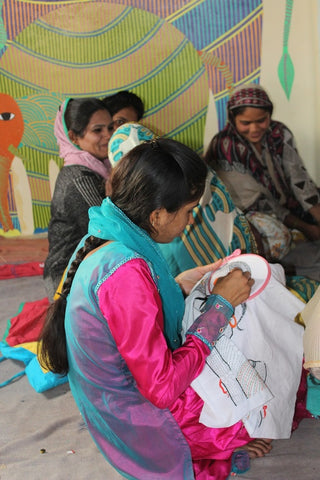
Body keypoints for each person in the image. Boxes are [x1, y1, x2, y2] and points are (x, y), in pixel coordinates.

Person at [39, 138, 274, 480]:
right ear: (158, 215)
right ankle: (205, 443)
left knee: (246, 370)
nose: (191, 220)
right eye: (189, 210)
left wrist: (179, 283)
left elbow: (128, 313)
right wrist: (220, 306)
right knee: (261, 401)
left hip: (117, 403)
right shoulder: (125, 271)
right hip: (142, 424)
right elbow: (162, 389)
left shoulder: (109, 234)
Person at [204, 84, 320, 280]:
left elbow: (299, 179)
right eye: (246, 122)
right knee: (278, 238)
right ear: (233, 120)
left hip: (285, 203)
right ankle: (277, 271)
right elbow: (260, 202)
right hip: (246, 211)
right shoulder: (225, 146)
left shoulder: (279, 132)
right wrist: (307, 227)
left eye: (261, 120)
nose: (255, 128)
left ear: (270, 115)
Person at [43, 97, 113, 301]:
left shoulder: (100, 167)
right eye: (97, 130)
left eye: (110, 127)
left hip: (87, 265)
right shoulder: (79, 178)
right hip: (65, 279)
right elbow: (109, 230)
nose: (108, 136)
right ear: (73, 136)